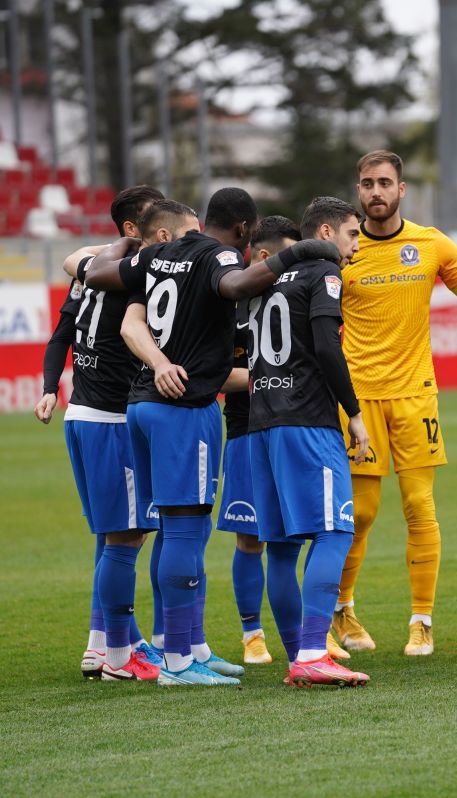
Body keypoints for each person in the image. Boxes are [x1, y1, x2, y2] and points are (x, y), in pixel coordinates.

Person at [82, 186, 341, 685]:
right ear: (244, 231)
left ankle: (176, 646)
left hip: (139, 402)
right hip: (184, 405)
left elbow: (94, 274)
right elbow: (237, 286)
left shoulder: (157, 254)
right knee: (181, 531)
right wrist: (301, 252)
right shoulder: (217, 253)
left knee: (152, 531)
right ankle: (177, 661)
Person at [332, 149, 457, 656]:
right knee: (360, 514)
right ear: (358, 191)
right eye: (366, 184)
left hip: (416, 395)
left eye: (384, 183)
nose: (375, 192)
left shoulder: (431, 243)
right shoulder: (340, 249)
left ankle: (422, 621)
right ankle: (342, 611)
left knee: (421, 506)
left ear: (402, 190)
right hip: (357, 400)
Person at [35, 184, 165, 681]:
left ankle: (100, 645)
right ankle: (119, 656)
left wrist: (51, 387)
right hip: (111, 419)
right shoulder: (134, 278)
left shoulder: (88, 274)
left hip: (82, 416)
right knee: (126, 538)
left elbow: (61, 334)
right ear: (134, 230)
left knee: (112, 535)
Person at [247, 196, 370, 687]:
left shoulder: (267, 278)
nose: (356, 242)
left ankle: (302, 654)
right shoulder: (324, 271)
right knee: (336, 531)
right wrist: (354, 414)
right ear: (325, 232)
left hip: (260, 422)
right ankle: (313, 653)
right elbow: (326, 346)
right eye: (352, 233)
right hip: (307, 421)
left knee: (279, 545)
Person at [215, 215, 297, 667]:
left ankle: (306, 637)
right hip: (246, 430)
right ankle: (251, 633)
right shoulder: (229, 302)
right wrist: (272, 374)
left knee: (292, 540)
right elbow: (215, 375)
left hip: (293, 431)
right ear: (265, 256)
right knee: (251, 539)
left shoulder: (297, 297)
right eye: (289, 254)